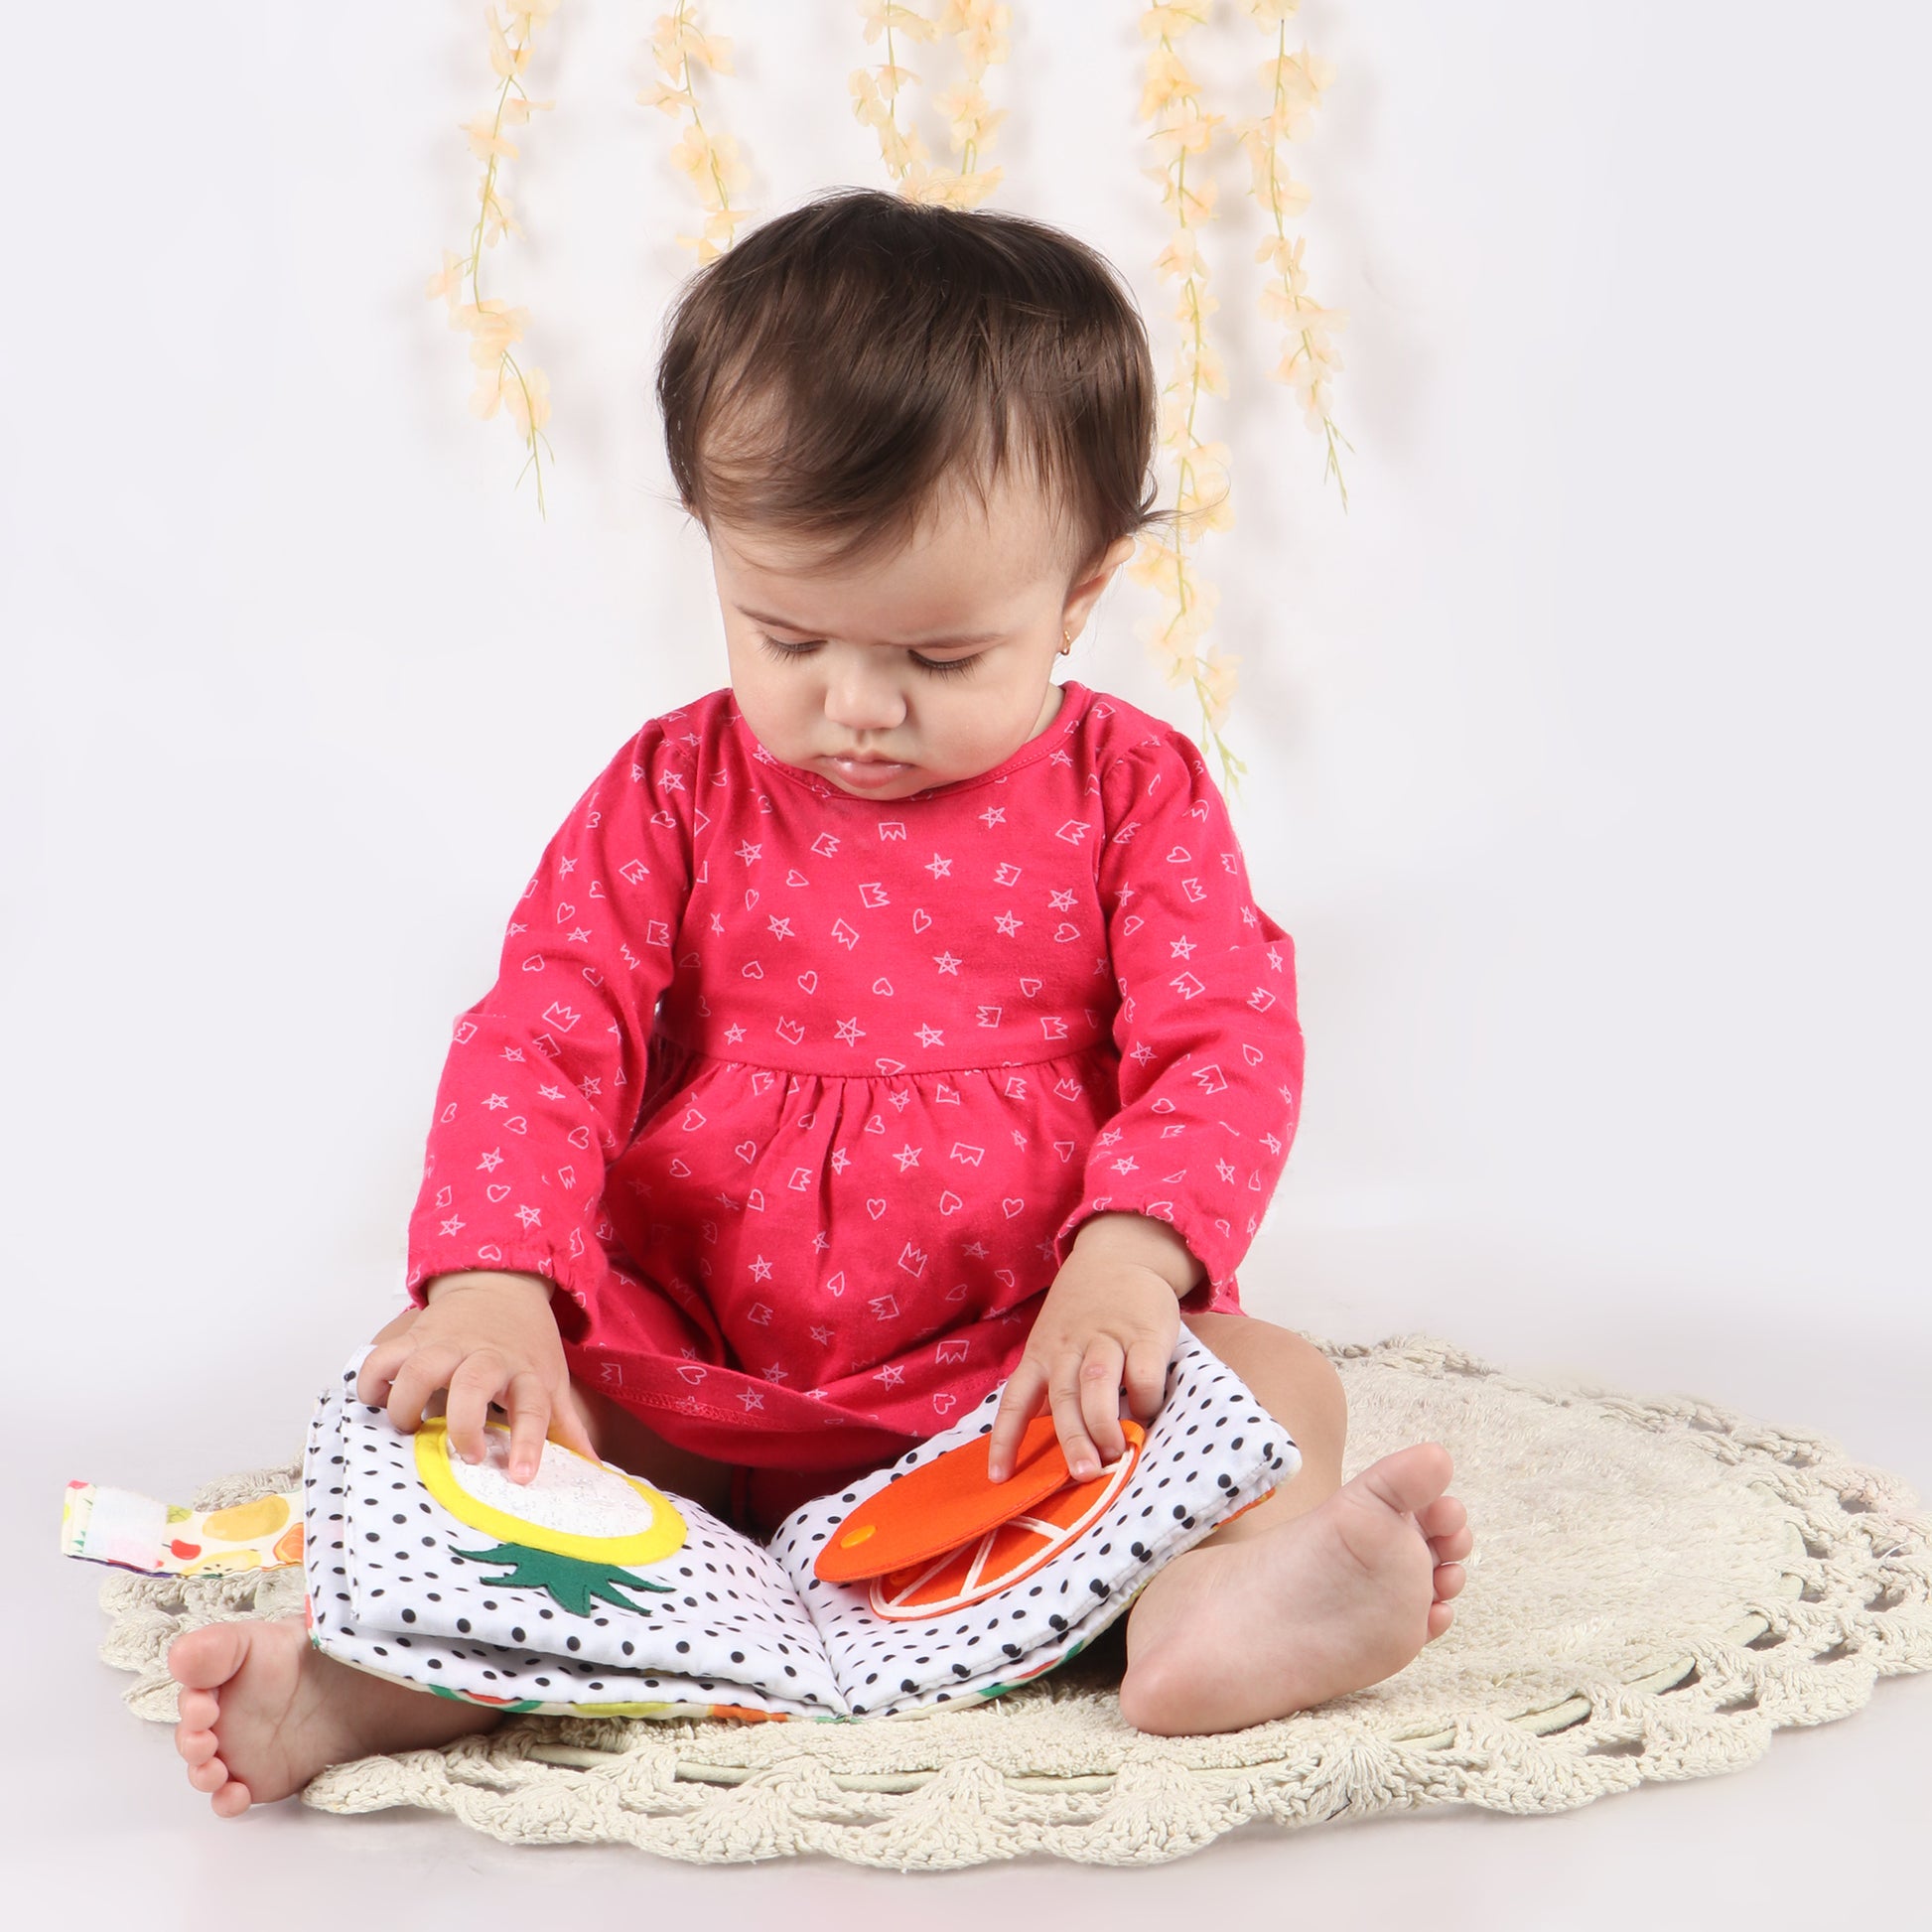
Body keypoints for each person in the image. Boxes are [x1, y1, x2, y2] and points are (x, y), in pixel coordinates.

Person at [167, 186, 1471, 1816]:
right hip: (689, 1383)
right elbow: (544, 1032)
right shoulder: (673, 787)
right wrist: (494, 1285)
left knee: (1276, 1383)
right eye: (786, 633)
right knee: (464, 1405)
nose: (856, 706)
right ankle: (372, 1677)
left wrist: (1128, 1266)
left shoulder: (1130, 792)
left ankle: (1215, 1610)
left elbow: (1221, 1040)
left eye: (938, 658)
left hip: (1012, 1385)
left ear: (1076, 599)